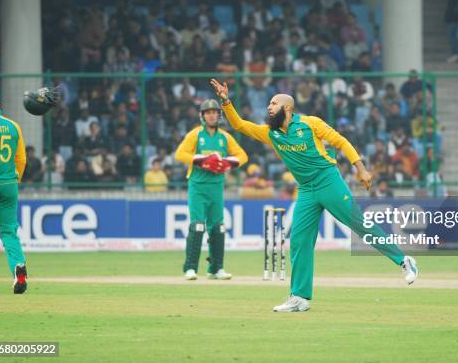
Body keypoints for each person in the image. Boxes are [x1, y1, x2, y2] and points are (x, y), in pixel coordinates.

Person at [210, 79, 418, 313]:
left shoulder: (310, 124)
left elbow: (340, 141)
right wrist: (226, 101)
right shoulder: (271, 134)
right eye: (268, 103)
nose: (269, 107)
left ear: (287, 108)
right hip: (306, 189)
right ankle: (299, 298)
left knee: (359, 225)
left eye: (273, 103)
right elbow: (239, 125)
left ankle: (403, 261)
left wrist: (360, 167)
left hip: (328, 180)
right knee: (299, 241)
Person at [175, 99, 248, 281]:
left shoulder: (224, 137)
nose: (212, 115)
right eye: (208, 112)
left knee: (218, 227)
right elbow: (180, 154)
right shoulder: (195, 135)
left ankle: (216, 269)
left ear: (219, 115)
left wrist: (227, 163)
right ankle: (190, 268)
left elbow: (243, 156)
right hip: (198, 186)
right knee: (198, 225)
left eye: (215, 112)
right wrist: (202, 160)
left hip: (217, 187)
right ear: (202, 116)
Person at [0, 91, 28, 293]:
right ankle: (18, 268)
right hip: (9, 185)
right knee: (9, 233)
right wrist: (15, 179)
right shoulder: (14, 126)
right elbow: (21, 160)